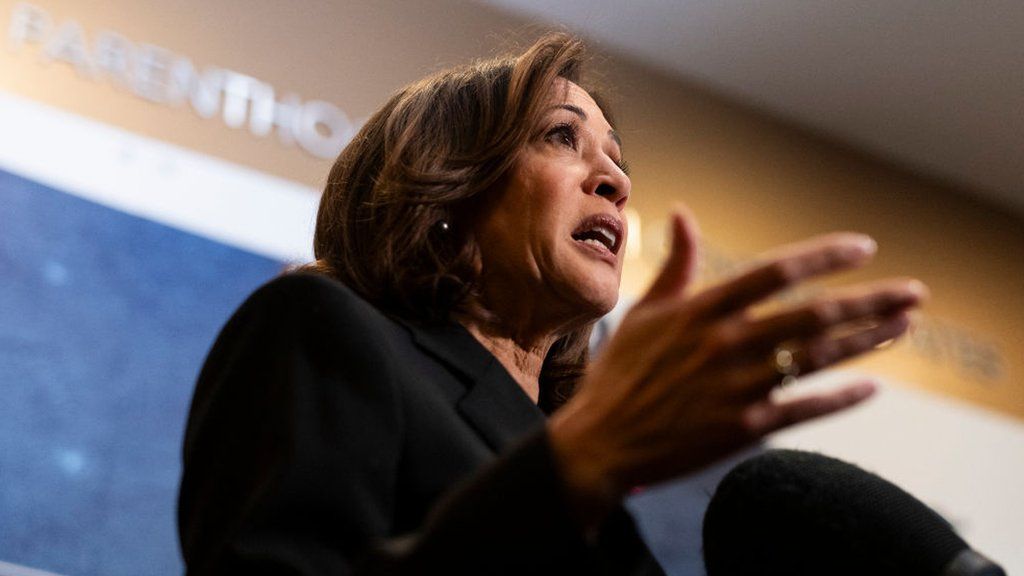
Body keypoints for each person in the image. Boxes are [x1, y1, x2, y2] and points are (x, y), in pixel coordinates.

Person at [177, 33, 926, 575]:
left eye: (618, 161)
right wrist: (580, 465)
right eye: (562, 137)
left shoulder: (571, 458)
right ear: (448, 193)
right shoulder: (318, 327)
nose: (614, 180)